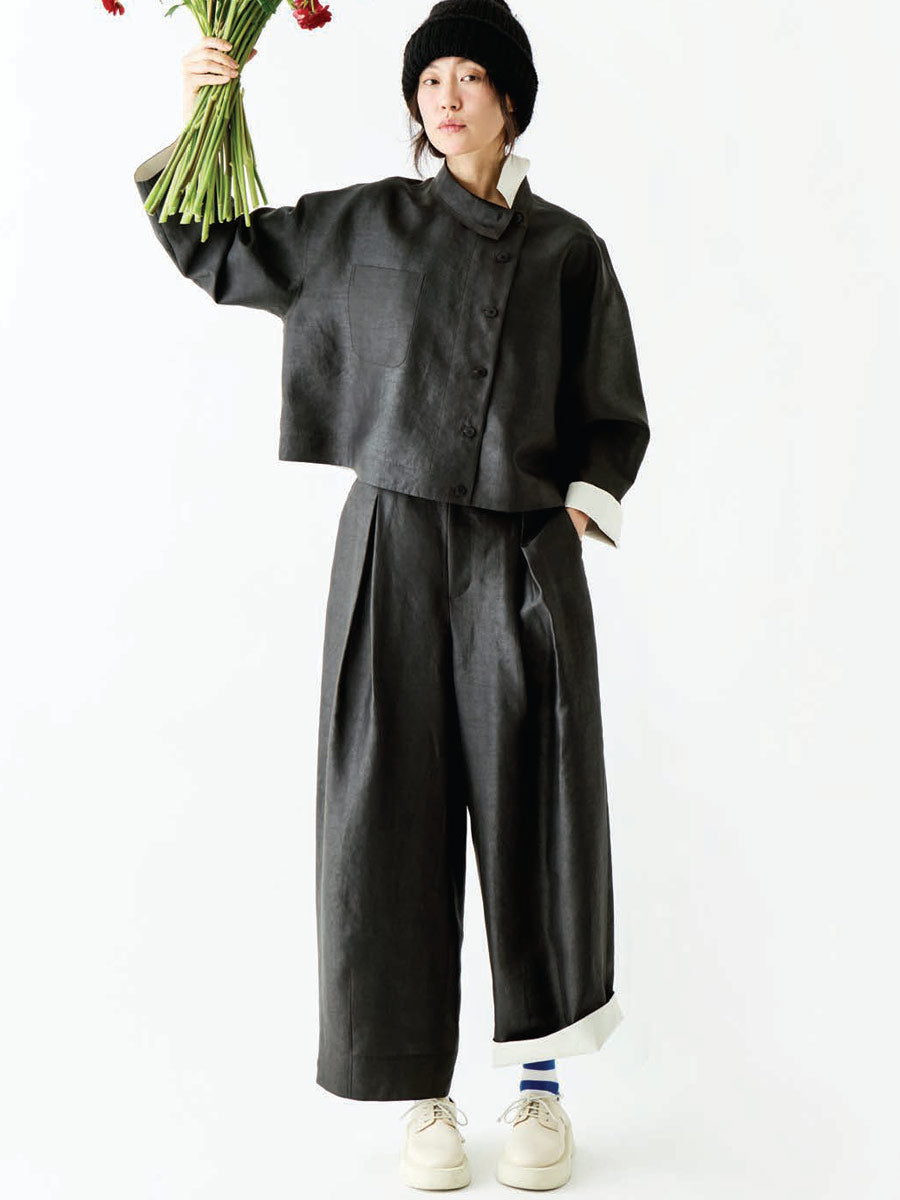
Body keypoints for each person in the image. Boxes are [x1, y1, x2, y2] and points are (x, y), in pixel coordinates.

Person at [133, 0, 650, 1189]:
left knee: (535, 814)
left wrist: (573, 514)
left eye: (471, 77)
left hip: (519, 560)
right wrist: (204, 106)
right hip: (392, 551)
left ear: (510, 100)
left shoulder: (569, 251)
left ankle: (539, 1092)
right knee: (389, 815)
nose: (447, 97)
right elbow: (218, 251)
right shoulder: (364, 222)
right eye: (431, 80)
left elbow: (612, 411)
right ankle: (425, 1100)